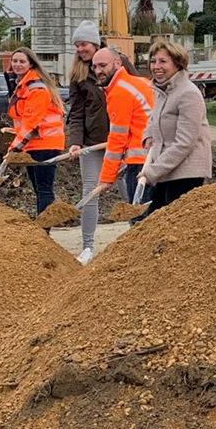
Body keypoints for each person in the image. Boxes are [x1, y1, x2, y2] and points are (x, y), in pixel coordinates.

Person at [65, 21, 131, 264]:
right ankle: (88, 247)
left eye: (82, 43)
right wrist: (75, 142)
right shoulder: (78, 73)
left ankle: (139, 233)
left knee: (129, 187)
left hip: (123, 140)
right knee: (90, 190)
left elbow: (138, 94)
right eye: (76, 45)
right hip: (92, 143)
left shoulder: (118, 61)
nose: (79, 49)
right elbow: (76, 112)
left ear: (94, 42)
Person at [139, 41, 212, 215]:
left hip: (186, 173)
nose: (156, 67)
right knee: (152, 221)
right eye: (153, 61)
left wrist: (152, 172)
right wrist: (149, 134)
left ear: (177, 64)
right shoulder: (162, 90)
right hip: (168, 169)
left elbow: (184, 143)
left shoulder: (188, 94)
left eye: (163, 61)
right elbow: (156, 117)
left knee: (169, 224)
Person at [92, 47, 155, 208]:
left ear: (118, 63)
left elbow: (117, 138)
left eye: (102, 65)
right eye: (95, 67)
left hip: (140, 163)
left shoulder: (119, 93)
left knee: (139, 220)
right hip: (159, 159)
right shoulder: (141, 81)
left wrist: (106, 177)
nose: (98, 71)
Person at [6, 47, 66, 218]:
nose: (17, 64)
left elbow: (32, 122)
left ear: (30, 64)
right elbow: (23, 120)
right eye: (15, 61)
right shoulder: (21, 85)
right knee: (39, 189)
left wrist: (14, 147)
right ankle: (43, 227)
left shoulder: (36, 88)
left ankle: (45, 230)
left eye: (22, 61)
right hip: (33, 144)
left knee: (44, 189)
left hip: (45, 143)